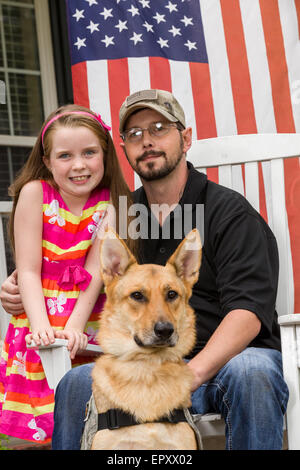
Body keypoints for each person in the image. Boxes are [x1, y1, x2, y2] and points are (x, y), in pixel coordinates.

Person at [0, 90, 289, 450]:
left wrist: (190, 374)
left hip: (220, 369)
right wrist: (18, 290)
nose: (147, 141)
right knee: (76, 382)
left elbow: (247, 314)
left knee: (253, 371)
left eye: (159, 128)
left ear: (185, 138)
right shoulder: (121, 214)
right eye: (135, 134)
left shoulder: (228, 214)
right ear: (122, 148)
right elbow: (73, 271)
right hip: (138, 369)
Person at [0, 104, 135, 443]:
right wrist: (43, 328)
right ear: (46, 161)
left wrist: (75, 328)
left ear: (104, 154)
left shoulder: (113, 205)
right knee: (42, 420)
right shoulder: (35, 194)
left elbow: (96, 274)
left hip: (88, 321)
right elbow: (28, 270)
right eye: (65, 156)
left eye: (89, 152)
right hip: (38, 316)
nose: (78, 165)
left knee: (92, 422)